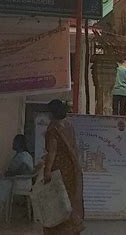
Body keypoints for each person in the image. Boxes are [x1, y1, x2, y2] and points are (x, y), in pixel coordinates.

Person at [43, 100, 84, 235]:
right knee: (72, 199)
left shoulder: (54, 128)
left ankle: (60, 230)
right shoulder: (68, 124)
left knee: (59, 202)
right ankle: (74, 228)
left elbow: (52, 151)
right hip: (73, 168)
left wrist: (47, 171)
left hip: (59, 170)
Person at [0, 135, 34, 222]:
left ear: (19, 143)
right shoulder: (18, 155)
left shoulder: (24, 156)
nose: (13, 144)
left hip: (19, 182)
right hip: (13, 180)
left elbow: (25, 170)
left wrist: (11, 173)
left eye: (15, 142)